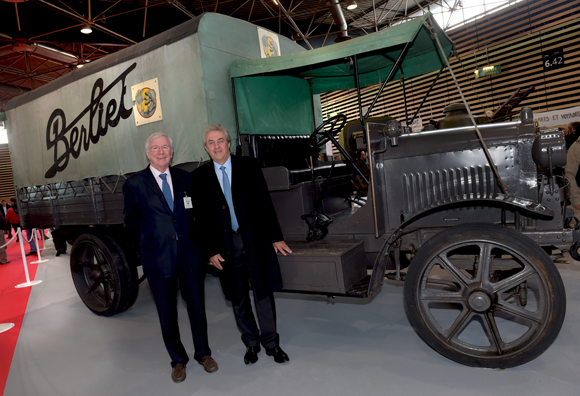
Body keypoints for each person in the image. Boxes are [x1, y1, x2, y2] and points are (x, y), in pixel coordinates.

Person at [192, 124, 292, 365]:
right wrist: (210, 251)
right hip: (225, 246)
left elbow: (264, 202)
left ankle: (272, 344)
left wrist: (275, 236)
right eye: (211, 143)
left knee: (263, 292)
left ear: (228, 143)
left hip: (254, 240)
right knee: (237, 296)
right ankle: (251, 343)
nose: (216, 146)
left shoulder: (249, 166)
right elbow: (201, 219)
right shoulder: (199, 177)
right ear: (206, 148)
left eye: (220, 141)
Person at [123, 132, 217, 383]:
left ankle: (203, 354)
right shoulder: (134, 184)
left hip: (189, 256)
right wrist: (149, 238)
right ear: (148, 152)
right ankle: (178, 360)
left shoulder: (186, 178)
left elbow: (196, 213)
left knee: (197, 308)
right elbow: (130, 220)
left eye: (165, 147)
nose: (161, 152)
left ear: (172, 152)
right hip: (158, 258)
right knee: (167, 313)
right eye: (155, 147)